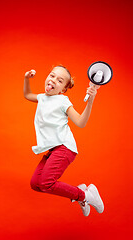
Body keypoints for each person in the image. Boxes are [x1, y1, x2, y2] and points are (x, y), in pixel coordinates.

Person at [23, 65, 104, 217]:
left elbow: (80, 122)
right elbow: (27, 94)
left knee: (46, 183)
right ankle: (81, 193)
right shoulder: (42, 98)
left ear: (63, 90)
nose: (53, 80)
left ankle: (86, 196)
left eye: (60, 80)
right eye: (52, 75)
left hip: (65, 147)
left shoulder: (62, 101)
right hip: (54, 149)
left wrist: (91, 100)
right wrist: (26, 78)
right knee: (36, 184)